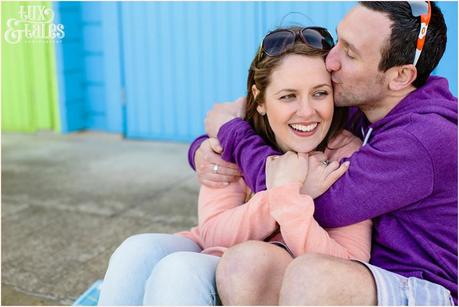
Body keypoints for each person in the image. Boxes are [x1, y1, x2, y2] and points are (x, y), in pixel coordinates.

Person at [189, 1, 457, 305]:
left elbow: (318, 202)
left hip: (423, 286)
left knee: (311, 276)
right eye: (339, 40)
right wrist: (206, 148)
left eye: (350, 53)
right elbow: (267, 113)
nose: (330, 60)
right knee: (247, 264)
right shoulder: (366, 105)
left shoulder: (422, 139)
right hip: (366, 276)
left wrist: (233, 135)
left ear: (399, 76)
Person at [98, 26, 373, 306]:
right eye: (287, 96)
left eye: (319, 93)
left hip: (270, 271)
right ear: (260, 99)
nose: (306, 111)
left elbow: (348, 262)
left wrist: (289, 201)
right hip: (216, 251)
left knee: (179, 269)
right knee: (135, 250)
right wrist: (284, 194)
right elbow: (212, 232)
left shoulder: (345, 153)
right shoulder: (238, 138)